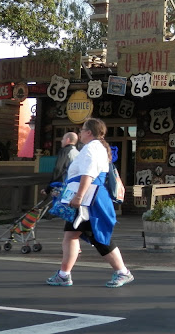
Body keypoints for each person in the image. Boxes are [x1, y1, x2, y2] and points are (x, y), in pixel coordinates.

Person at [46, 118, 134, 288]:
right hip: (89, 197)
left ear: (89, 132)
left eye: (82, 130)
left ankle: (122, 271)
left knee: (96, 236)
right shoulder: (95, 148)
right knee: (72, 235)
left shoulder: (92, 148)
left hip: (89, 199)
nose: (79, 133)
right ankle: (64, 274)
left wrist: (78, 197)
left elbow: (88, 174)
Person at [42, 132, 79, 196]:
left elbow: (58, 169)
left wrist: (49, 188)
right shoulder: (77, 153)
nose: (61, 141)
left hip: (63, 184)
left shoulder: (65, 151)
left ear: (68, 140)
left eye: (63, 139)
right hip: (74, 186)